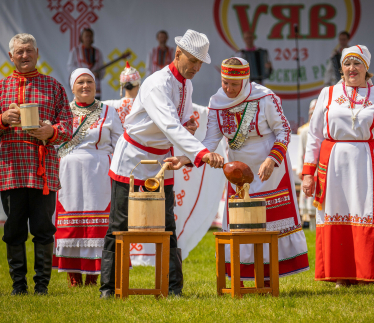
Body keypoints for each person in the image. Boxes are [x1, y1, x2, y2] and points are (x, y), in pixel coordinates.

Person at [99, 29, 224, 299]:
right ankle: (108, 288)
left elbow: (176, 124)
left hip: (160, 160)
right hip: (132, 158)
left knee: (167, 226)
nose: (196, 67)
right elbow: (168, 125)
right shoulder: (158, 83)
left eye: (200, 63)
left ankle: (173, 288)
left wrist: (188, 127)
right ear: (178, 54)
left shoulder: (185, 83)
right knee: (119, 225)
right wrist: (201, 153)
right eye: (193, 61)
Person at [181, 57, 310, 283]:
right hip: (238, 171)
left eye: (234, 84)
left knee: (268, 222)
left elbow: (284, 131)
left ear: (245, 80)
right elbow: (211, 140)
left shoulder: (265, 97)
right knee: (241, 221)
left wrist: (272, 159)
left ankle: (269, 278)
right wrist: (187, 159)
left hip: (270, 166)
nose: (228, 88)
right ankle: (240, 275)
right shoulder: (216, 101)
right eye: (225, 82)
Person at [302, 45, 374, 287]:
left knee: (363, 214)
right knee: (335, 214)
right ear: (341, 68)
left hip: (366, 163)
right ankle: (339, 275)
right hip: (333, 162)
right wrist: (308, 173)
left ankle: (365, 274)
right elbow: (314, 135)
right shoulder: (328, 93)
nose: (351, 68)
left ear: (367, 68)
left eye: (357, 63)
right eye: (347, 64)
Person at [0, 33, 73, 295]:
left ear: (37, 53)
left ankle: (42, 286)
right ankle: (18, 286)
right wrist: (2, 119)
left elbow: (68, 126)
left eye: (29, 50)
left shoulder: (53, 87)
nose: (24, 55)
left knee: (44, 229)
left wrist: (51, 132)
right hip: (12, 169)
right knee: (14, 229)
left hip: (43, 170)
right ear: (11, 56)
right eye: (19, 52)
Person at [53, 68, 123, 287]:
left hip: (99, 172)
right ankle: (73, 276)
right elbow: (54, 141)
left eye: (89, 82)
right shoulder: (62, 111)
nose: (85, 86)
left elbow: (120, 143)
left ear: (95, 85)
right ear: (72, 87)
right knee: (71, 223)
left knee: (98, 224)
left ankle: (94, 276)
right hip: (69, 173)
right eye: (80, 82)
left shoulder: (109, 112)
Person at [296, 99, 317, 229]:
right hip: (309, 168)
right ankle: (311, 226)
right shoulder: (304, 131)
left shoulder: (324, 130)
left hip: (320, 169)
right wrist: (300, 169)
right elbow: (300, 151)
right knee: (309, 201)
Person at [68, 28, 105, 99]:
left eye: (90, 36)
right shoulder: (75, 51)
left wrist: (98, 74)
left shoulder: (97, 52)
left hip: (95, 88)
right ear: (81, 37)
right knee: (80, 108)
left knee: (95, 108)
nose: (88, 38)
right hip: (80, 86)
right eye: (86, 36)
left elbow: (102, 69)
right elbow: (70, 66)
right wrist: (81, 73)